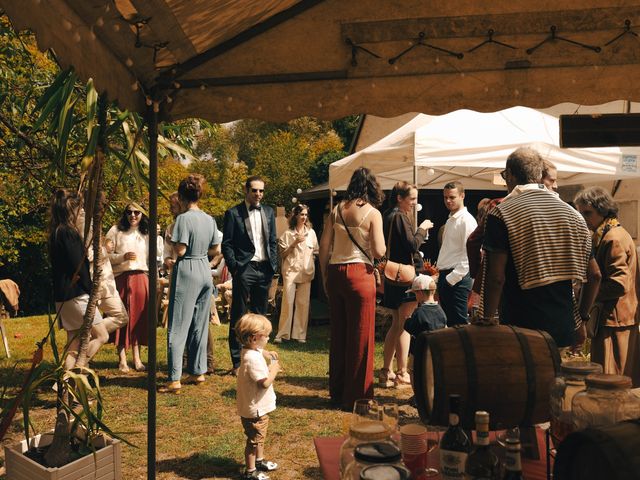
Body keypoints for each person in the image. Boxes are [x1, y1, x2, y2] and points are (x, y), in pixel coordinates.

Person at [481, 147, 594, 349]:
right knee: (556, 379)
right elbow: (594, 275)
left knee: (525, 379)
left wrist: (487, 321)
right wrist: (583, 318)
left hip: (521, 325)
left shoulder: (502, 213)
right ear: (540, 174)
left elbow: (496, 277)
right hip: (563, 325)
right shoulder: (573, 215)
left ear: (510, 175)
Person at [319, 167, 386, 410]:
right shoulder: (373, 213)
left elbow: (324, 245)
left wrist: (325, 274)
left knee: (338, 335)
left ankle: (337, 393)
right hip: (360, 274)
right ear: (372, 187)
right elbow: (379, 251)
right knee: (361, 336)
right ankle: (358, 397)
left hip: (336, 272)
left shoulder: (337, 209)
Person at [160, 175, 222, 393]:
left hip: (187, 269)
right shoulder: (209, 219)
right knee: (200, 324)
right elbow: (216, 249)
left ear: (182, 196)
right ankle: (198, 371)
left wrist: (172, 242)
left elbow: (181, 250)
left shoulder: (183, 219)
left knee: (177, 326)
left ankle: (174, 378)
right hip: (205, 269)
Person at [574, 186, 640, 385]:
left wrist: (587, 294)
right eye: (581, 213)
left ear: (603, 210)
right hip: (616, 318)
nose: (583, 218)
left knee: (610, 381)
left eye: (588, 212)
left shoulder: (613, 237)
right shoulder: (609, 233)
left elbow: (618, 284)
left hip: (615, 320)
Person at [222, 176, 278, 376]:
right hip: (244, 269)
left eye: (261, 191)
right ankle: (237, 363)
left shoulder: (269, 212)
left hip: (264, 269)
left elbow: (272, 241)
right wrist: (235, 268)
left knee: (261, 316)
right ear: (246, 190)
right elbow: (226, 244)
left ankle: (258, 358)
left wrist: (273, 265)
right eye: (254, 190)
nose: (258, 194)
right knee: (238, 315)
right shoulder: (233, 213)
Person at [379, 182, 433, 388]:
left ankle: (386, 371)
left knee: (396, 324)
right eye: (411, 198)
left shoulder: (388, 215)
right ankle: (402, 373)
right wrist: (422, 229)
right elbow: (412, 245)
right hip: (405, 277)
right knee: (404, 325)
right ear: (400, 198)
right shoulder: (400, 217)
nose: (414, 202)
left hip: (393, 275)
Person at [49, 189, 108, 370]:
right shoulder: (68, 233)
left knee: (73, 346)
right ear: (71, 210)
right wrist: (91, 292)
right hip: (76, 295)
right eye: (80, 208)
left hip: (62, 295)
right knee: (101, 336)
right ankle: (75, 374)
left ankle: (67, 390)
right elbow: (79, 267)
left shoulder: (55, 232)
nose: (82, 212)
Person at [235, 313, 281, 480]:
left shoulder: (250, 349)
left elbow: (260, 350)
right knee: (254, 440)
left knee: (259, 437)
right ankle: (250, 471)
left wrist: (267, 354)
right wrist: (274, 370)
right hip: (255, 410)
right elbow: (264, 383)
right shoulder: (251, 359)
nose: (268, 338)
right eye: (266, 336)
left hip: (257, 408)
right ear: (254, 338)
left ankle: (259, 461)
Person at [106, 202, 150, 373]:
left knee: (138, 318)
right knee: (123, 316)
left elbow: (156, 256)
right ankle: (122, 359)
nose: (133, 216)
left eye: (137, 213)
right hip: (122, 277)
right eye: (129, 212)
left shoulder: (147, 233)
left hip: (141, 277)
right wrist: (122, 257)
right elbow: (105, 254)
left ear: (142, 214)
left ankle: (137, 358)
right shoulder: (116, 231)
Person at [274, 204, 319, 344]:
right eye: (301, 214)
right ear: (295, 216)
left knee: (303, 303)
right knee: (288, 301)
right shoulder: (287, 234)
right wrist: (294, 243)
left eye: (306, 214)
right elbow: (282, 254)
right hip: (290, 271)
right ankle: (283, 334)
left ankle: (299, 334)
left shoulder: (311, 233)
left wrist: (311, 260)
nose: (304, 217)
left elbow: (316, 251)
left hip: (306, 271)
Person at [436, 181, 477, 326]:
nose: (448, 200)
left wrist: (451, 278)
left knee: (459, 325)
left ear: (462, 196)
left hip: (456, 278)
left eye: (452, 197)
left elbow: (470, 254)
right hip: (448, 276)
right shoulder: (451, 219)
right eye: (445, 197)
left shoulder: (466, 220)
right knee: (452, 325)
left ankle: (465, 349)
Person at [403, 274, 446, 358]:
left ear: (420, 292)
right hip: (437, 350)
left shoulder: (419, 312)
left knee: (416, 369)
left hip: (420, 350)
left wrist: (407, 321)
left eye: (415, 293)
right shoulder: (441, 311)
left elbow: (411, 328)